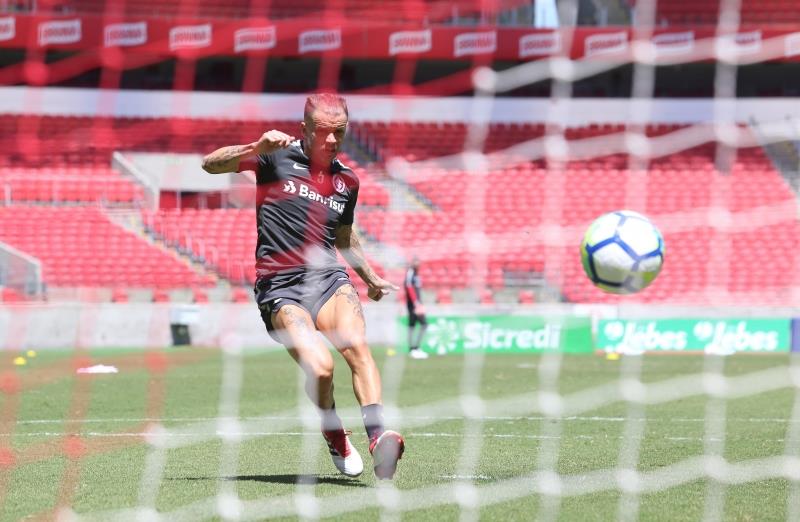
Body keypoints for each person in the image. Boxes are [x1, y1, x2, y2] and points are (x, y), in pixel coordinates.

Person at [201, 93, 404, 480]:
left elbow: (343, 236)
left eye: (339, 133)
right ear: (305, 130)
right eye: (324, 132)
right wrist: (255, 146)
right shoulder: (274, 156)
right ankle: (333, 432)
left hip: (328, 278)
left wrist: (371, 277)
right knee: (322, 370)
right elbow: (210, 164)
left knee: (356, 346)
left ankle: (378, 438)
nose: (331, 141)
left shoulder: (347, 181)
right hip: (280, 286)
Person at [404, 257, 429, 359]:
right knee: (423, 324)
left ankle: (413, 349)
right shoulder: (410, 273)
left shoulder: (415, 273)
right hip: (414, 304)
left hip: (416, 304)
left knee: (412, 325)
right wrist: (416, 302)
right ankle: (414, 348)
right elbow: (409, 287)